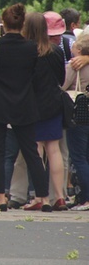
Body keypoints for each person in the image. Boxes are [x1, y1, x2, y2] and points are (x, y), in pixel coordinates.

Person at [0, 4, 51, 213]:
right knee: (32, 153)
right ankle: (44, 197)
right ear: (22, 24)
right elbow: (35, 78)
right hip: (23, 104)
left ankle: (1, 197)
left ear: (4, 23)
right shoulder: (31, 48)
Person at [24, 12, 67, 211]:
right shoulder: (56, 51)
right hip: (53, 103)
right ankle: (60, 196)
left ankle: (41, 197)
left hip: (32, 105)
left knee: (36, 150)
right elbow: (61, 78)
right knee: (54, 149)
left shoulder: (27, 51)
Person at [64, 33, 89, 211]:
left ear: (79, 49)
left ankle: (86, 197)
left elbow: (62, 85)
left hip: (79, 115)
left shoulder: (75, 65)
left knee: (78, 157)